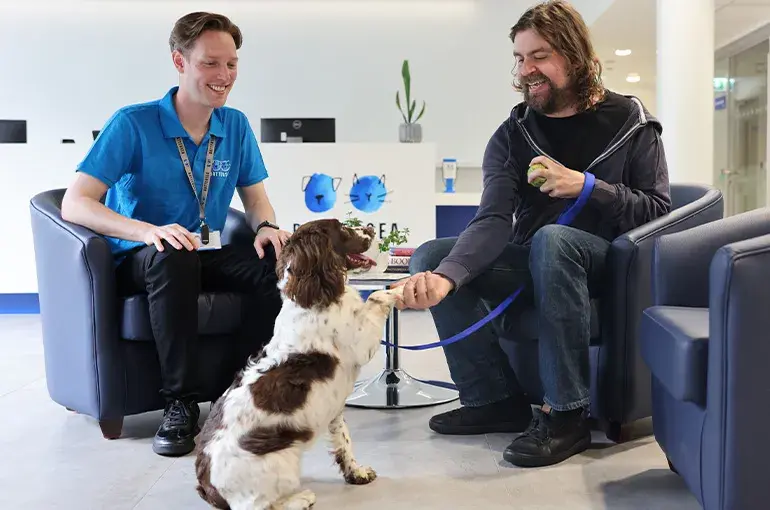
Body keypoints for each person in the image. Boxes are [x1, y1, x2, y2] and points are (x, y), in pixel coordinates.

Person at [395, 0, 671, 468]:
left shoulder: (632, 121)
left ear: (575, 55)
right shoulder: (513, 133)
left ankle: (566, 416)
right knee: (431, 256)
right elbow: (491, 220)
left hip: (607, 265)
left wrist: (586, 186)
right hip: (535, 259)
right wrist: (447, 276)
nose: (526, 70)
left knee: (553, 241)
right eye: (520, 59)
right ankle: (492, 399)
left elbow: (657, 209)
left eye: (540, 56)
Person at [61, 12, 291, 457]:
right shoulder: (133, 123)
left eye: (232, 64)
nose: (224, 75)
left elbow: (256, 199)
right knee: (174, 255)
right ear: (180, 62)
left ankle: (241, 392)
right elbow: (76, 202)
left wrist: (266, 227)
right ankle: (180, 403)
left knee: (275, 267)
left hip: (207, 251)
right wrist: (148, 231)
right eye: (210, 63)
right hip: (144, 256)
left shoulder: (235, 125)